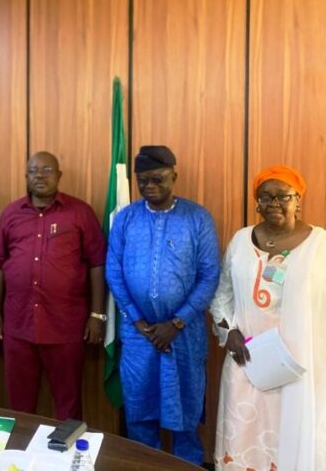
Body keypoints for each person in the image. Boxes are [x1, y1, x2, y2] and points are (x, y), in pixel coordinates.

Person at [105, 145, 220, 466]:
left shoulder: (197, 218)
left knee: (185, 413)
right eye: (143, 181)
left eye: (158, 179)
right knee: (140, 414)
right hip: (138, 335)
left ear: (174, 176)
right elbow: (114, 269)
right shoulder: (126, 218)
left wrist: (178, 322)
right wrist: (138, 320)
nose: (149, 186)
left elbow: (210, 274)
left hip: (184, 337)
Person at [210, 166, 325, 470]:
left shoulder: (320, 245)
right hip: (247, 359)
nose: (274, 203)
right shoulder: (240, 240)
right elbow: (222, 295)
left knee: (290, 438)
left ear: (298, 200)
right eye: (265, 197)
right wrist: (229, 331)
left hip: (298, 366)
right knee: (244, 435)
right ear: (257, 202)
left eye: (283, 196)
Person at [0, 151, 106, 420]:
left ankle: (66, 457)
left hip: (65, 326)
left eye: (47, 170)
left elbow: (98, 264)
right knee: (19, 403)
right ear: (26, 176)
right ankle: (21, 458)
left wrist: (97, 315)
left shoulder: (80, 213)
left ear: (59, 175)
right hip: (18, 325)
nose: (39, 175)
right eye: (33, 170)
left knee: (68, 401)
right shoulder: (11, 213)